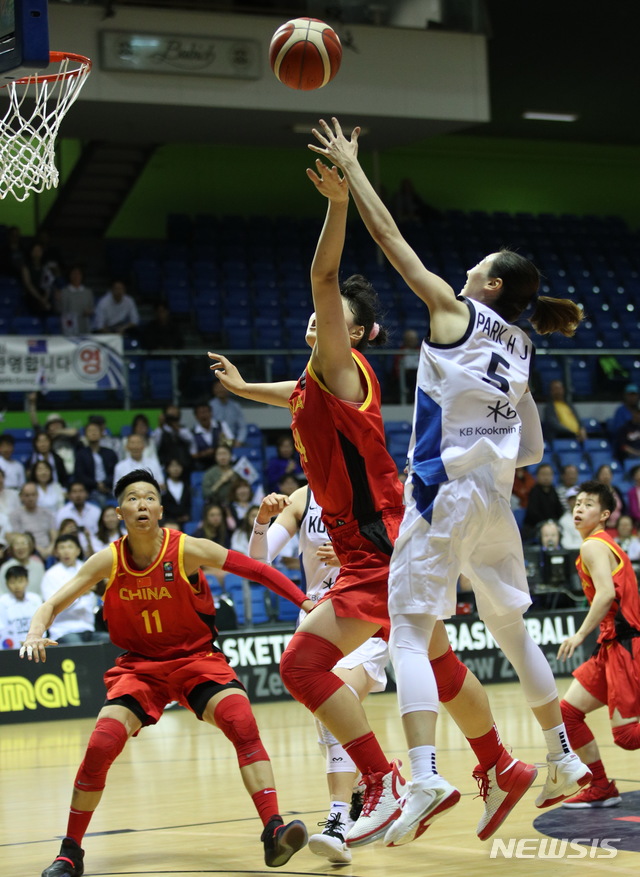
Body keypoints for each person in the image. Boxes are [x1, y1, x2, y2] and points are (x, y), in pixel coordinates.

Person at [209, 157, 539, 849]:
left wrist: (336, 204)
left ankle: (386, 777)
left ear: (352, 335)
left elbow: (323, 278)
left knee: (300, 665)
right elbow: (290, 394)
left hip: (377, 538)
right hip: (387, 532)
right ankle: (501, 764)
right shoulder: (308, 382)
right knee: (440, 664)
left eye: (335, 321)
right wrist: (244, 390)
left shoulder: (337, 364)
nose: (320, 318)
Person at [309, 116, 591, 845]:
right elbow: (530, 446)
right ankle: (558, 753)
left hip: (442, 491)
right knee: (509, 628)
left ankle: (426, 772)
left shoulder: (456, 312)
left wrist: (353, 170)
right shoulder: (524, 343)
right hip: (496, 500)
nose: (465, 269)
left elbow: (392, 243)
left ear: (490, 283)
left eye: (478, 266)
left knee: (407, 629)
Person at [20, 469, 312, 875]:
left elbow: (257, 570)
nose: (142, 503)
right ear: (119, 512)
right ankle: (70, 851)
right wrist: (36, 631)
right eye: (133, 498)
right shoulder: (109, 559)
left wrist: (303, 601)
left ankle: (274, 830)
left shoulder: (187, 549)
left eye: (150, 497)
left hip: (195, 660)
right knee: (101, 745)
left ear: (159, 508)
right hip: (140, 668)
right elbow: (51, 604)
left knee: (241, 720)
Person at [250, 486, 390, 864]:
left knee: (337, 698)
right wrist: (262, 521)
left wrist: (352, 555)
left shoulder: (369, 489)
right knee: (330, 718)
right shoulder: (301, 498)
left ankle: (338, 821)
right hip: (318, 620)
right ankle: (366, 783)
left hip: (362, 618)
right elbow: (258, 559)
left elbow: (396, 551)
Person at [556, 480, 640, 808]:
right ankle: (601, 786)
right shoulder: (602, 544)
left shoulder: (593, 546)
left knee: (627, 737)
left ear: (604, 515)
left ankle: (602, 786)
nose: (579, 508)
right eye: (577, 503)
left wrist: (579, 635)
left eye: (588, 504)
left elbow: (605, 593)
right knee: (568, 713)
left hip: (624, 646)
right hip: (610, 647)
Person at [40, 533, 110, 645]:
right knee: (77, 644)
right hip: (64, 631)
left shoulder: (87, 568)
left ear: (77, 551)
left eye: (70, 547)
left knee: (112, 641)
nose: (66, 551)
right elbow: (52, 607)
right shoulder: (50, 575)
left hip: (88, 629)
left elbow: (93, 601)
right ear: (56, 552)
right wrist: (80, 592)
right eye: (62, 548)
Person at [74, 422, 119, 508]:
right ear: (85, 435)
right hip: (90, 490)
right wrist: (97, 485)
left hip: (110, 488)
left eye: (96, 430)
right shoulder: (81, 454)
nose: (93, 433)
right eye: (90, 431)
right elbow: (80, 475)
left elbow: (115, 473)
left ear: (101, 434)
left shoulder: (110, 453)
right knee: (101, 500)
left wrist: (105, 484)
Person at [0, 564, 42, 649]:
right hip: (12, 646)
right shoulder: (2, 602)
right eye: (12, 582)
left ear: (27, 581)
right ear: (7, 584)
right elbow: (3, 630)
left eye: (20, 581)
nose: (17, 586)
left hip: (35, 643)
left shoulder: (35, 599)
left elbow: (41, 625)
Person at [9, 482, 56, 558]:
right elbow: (18, 538)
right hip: (29, 551)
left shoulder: (47, 513)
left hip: (49, 550)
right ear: (21, 497)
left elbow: (54, 534)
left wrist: (50, 548)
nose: (31, 498)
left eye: (33, 495)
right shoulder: (15, 515)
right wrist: (40, 550)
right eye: (27, 495)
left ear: (37, 495)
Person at [523, 463, 564, 539]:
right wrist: (546, 523)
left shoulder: (553, 491)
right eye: (543, 474)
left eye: (548, 474)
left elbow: (560, 510)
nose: (546, 477)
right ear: (537, 476)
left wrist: (552, 522)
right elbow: (533, 513)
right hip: (535, 526)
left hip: (552, 524)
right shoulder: (534, 491)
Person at [189, 401, 233, 471]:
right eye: (201, 413)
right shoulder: (193, 433)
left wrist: (222, 443)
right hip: (203, 465)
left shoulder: (221, 425)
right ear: (196, 416)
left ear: (211, 413)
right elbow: (193, 454)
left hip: (222, 461)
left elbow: (231, 442)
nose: (204, 415)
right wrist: (204, 454)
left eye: (206, 412)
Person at [542, 379, 587, 443]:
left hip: (577, 436)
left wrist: (582, 429)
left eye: (560, 388)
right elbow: (554, 424)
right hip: (562, 437)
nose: (558, 391)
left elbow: (578, 419)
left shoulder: (568, 405)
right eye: (555, 389)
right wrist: (572, 432)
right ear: (551, 392)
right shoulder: (549, 408)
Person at [152, 404, 193, 474]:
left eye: (175, 413)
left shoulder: (183, 429)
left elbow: (190, 440)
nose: (172, 415)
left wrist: (176, 428)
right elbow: (154, 445)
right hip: (165, 466)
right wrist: (160, 426)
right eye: (170, 414)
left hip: (183, 466)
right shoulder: (160, 430)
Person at [57, 265, 94, 335]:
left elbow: (91, 308)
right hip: (70, 328)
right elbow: (61, 310)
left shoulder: (88, 292)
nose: (76, 276)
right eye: (73, 274)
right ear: (69, 276)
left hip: (84, 325)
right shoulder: (64, 292)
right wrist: (58, 301)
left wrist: (90, 311)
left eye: (78, 274)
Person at [210, 379, 247, 447]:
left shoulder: (236, 406)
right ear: (213, 390)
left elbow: (242, 427)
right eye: (218, 387)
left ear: (229, 388)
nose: (221, 390)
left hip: (234, 443)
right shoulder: (210, 406)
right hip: (215, 444)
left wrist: (239, 441)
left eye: (223, 387)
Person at [160, 458, 191, 530]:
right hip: (167, 521)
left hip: (183, 522)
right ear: (167, 468)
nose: (176, 469)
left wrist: (186, 516)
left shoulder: (186, 486)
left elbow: (188, 504)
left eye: (178, 466)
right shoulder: (163, 486)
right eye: (173, 466)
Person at [594, 464, 624, 529]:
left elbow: (624, 508)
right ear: (598, 476)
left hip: (619, 526)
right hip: (603, 526)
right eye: (603, 474)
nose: (606, 476)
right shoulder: (595, 492)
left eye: (608, 474)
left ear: (611, 476)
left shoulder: (616, 489)